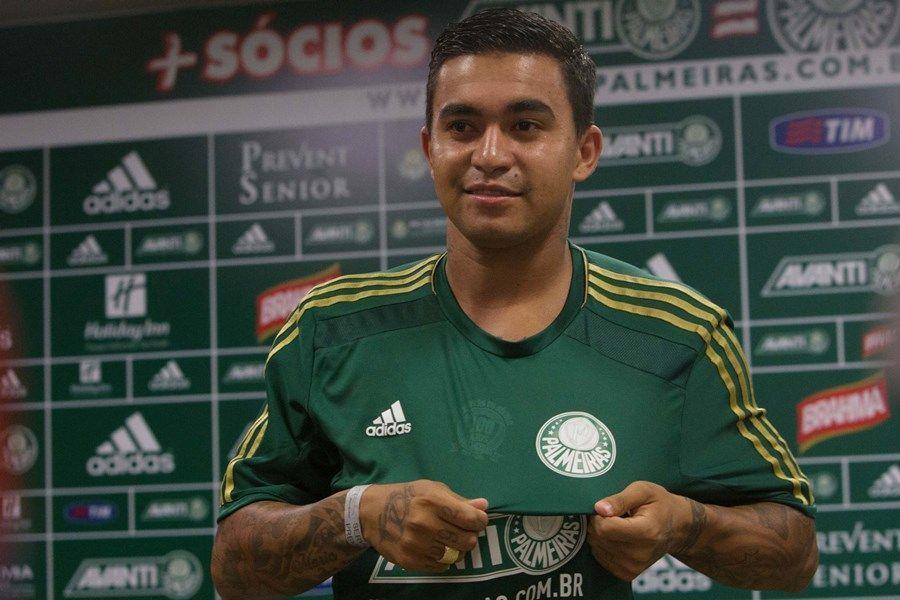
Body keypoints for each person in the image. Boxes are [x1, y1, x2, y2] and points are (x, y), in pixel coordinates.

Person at [211, 8, 817, 599]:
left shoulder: (678, 334)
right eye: (462, 127)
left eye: (525, 126)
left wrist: (684, 524)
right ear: (429, 147)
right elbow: (234, 568)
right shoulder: (332, 330)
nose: (490, 155)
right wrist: (357, 515)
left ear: (584, 151)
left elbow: (794, 556)